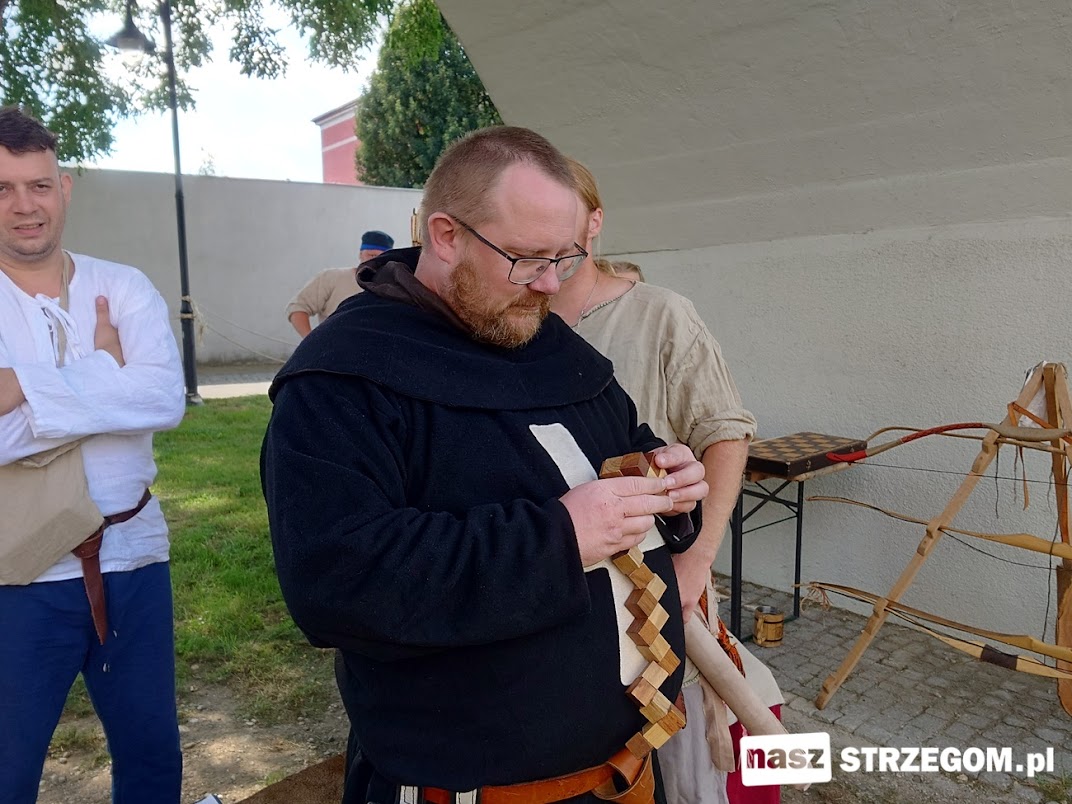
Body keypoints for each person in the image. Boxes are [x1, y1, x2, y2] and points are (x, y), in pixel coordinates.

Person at [261, 126, 710, 804]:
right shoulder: (343, 378)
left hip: (628, 774)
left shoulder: (550, 342)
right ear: (446, 235)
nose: (550, 283)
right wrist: (559, 538)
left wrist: (672, 485)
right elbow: (337, 581)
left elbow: (629, 447)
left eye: (565, 257)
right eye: (527, 259)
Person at [551, 158, 783, 804]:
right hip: (562, 583)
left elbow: (726, 434)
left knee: (695, 759)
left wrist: (696, 561)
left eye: (563, 218)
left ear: (594, 222)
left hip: (660, 585)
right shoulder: (518, 321)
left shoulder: (660, 315)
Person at [0, 106, 185, 803]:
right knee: (7, 770)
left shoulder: (122, 287)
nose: (25, 206)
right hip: (19, 569)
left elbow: (163, 398)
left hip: (132, 557)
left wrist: (21, 388)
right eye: (2, 188)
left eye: (38, 185)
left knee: (151, 760)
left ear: (65, 188)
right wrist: (107, 374)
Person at [285, 229, 395, 337]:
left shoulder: (391, 290)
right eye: (371, 255)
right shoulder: (333, 277)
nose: (376, 261)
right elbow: (298, 308)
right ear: (360, 254)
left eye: (382, 257)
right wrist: (310, 341)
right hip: (330, 346)